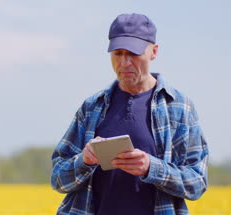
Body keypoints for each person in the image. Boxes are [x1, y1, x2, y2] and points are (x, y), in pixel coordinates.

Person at [51, 13, 209, 215]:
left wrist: (152, 168)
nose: (124, 63)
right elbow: (57, 179)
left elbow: (197, 182)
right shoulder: (92, 107)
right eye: (117, 53)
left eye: (133, 54)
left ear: (154, 51)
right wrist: (84, 160)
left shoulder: (179, 108)